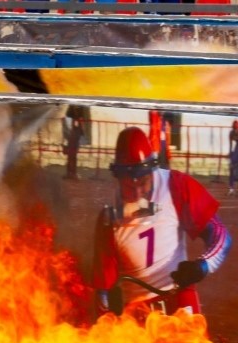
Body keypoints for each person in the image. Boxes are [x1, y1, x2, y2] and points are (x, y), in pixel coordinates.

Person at [95, 127, 230, 319]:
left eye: (143, 183)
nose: (137, 193)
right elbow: (103, 290)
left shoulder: (176, 186)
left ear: (152, 170)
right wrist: (106, 316)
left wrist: (202, 266)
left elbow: (221, 235)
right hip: (137, 310)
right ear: (117, 177)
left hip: (179, 297)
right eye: (128, 186)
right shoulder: (108, 219)